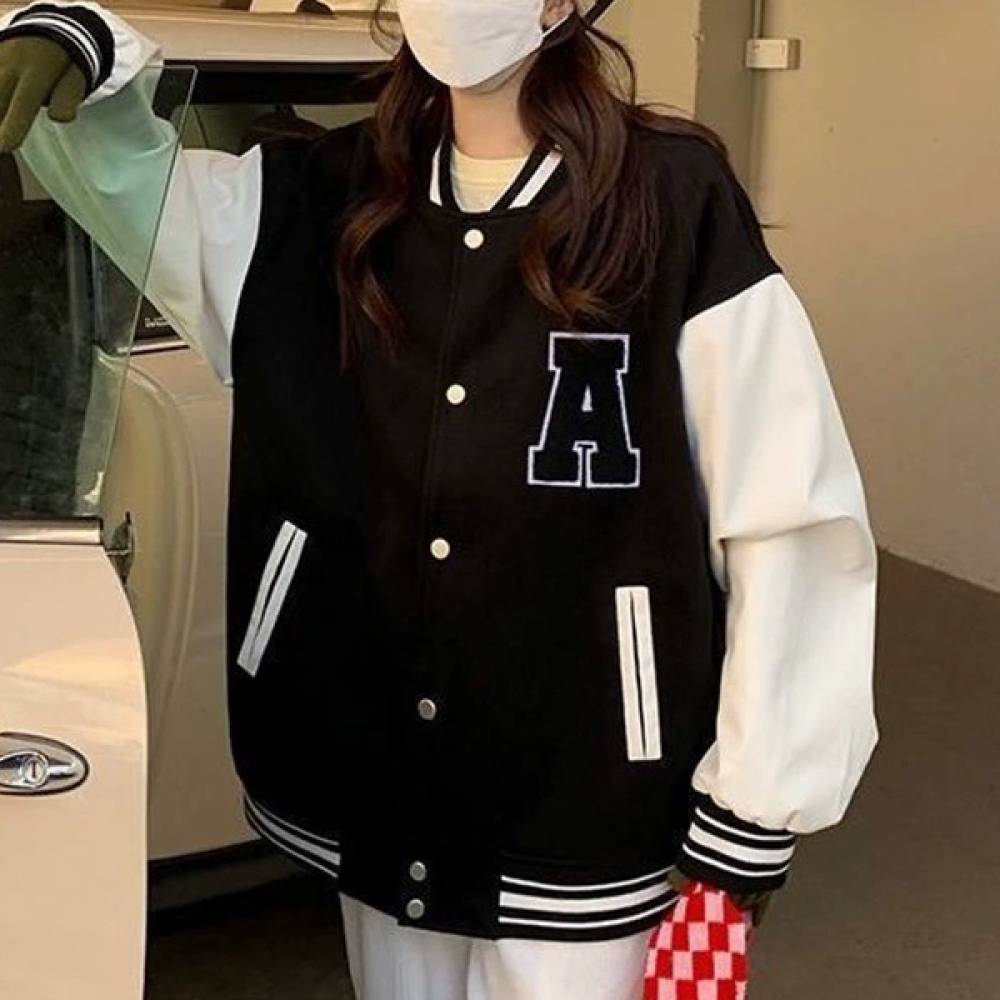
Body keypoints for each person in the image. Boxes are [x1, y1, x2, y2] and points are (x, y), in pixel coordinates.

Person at [0, 1, 880, 997]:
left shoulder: (672, 205)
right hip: (378, 780)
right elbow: (129, 187)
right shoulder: (318, 201)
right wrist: (79, 44)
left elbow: (788, 514)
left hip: (587, 797)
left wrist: (751, 814)